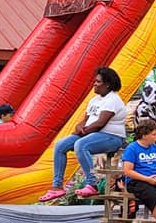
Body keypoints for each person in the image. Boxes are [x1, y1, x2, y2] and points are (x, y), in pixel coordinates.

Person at [39, 67, 128, 201]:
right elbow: (85, 120)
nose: (94, 84)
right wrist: (79, 127)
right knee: (60, 145)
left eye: (98, 82)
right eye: (95, 81)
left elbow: (100, 123)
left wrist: (83, 131)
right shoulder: (95, 100)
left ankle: (92, 184)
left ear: (107, 84)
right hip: (91, 134)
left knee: (81, 145)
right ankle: (57, 187)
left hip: (112, 137)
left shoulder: (113, 100)